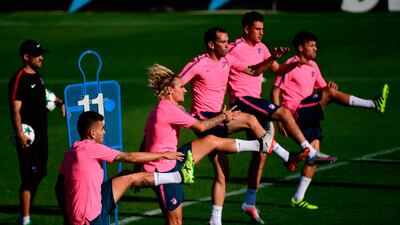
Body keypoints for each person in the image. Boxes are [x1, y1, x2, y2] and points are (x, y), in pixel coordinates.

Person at [179, 26, 335, 225]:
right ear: (211, 44)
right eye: (223, 42)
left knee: (222, 173)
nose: (228, 45)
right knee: (250, 120)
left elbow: (253, 71)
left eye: (228, 41)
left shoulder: (228, 59)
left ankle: (214, 220)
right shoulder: (199, 63)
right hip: (205, 118)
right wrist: (180, 110)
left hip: (219, 117)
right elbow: (177, 82)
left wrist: (272, 58)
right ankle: (286, 155)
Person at [142, 64, 276, 225]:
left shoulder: (161, 108)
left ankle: (260, 145)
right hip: (164, 171)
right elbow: (200, 126)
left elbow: (146, 140)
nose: (185, 90)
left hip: (173, 159)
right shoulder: (169, 109)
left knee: (210, 141)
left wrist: (139, 167)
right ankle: (260, 144)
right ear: (170, 90)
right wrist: (223, 117)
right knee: (175, 222)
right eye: (182, 87)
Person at [271, 31, 389, 210]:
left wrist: (330, 87)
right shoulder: (289, 65)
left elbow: (323, 88)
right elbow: (275, 91)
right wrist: (279, 119)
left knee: (314, 155)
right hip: (295, 112)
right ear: (301, 48)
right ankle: (373, 104)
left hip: (308, 111)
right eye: (312, 46)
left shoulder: (313, 66)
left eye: (315, 46)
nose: (316, 49)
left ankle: (297, 197)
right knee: (331, 96)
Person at [55, 111, 192, 225]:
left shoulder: (71, 152)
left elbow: (58, 187)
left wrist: (66, 214)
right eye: (102, 128)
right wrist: (163, 154)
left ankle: (178, 176)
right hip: (88, 218)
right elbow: (130, 156)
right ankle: (178, 176)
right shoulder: (91, 148)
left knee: (127, 176)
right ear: (92, 133)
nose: (105, 132)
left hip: (96, 201)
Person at [8, 39, 66, 225]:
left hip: (42, 135)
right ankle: (25, 218)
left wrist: (60, 102)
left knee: (38, 175)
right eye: (37, 54)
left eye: (41, 53)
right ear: (26, 57)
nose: (41, 57)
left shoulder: (37, 76)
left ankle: (24, 215)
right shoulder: (19, 79)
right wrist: (20, 134)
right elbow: (15, 110)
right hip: (29, 138)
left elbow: (45, 94)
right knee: (29, 177)